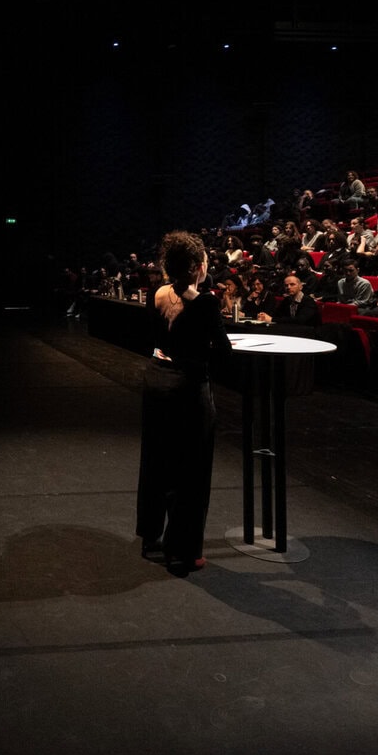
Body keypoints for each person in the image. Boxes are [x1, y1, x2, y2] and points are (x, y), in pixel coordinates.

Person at [137, 231, 231, 575]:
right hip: (188, 390)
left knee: (156, 461)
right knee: (191, 472)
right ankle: (184, 551)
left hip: (156, 380)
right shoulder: (205, 302)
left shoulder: (155, 292)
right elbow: (223, 351)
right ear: (195, 266)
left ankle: (150, 535)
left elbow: (162, 336)